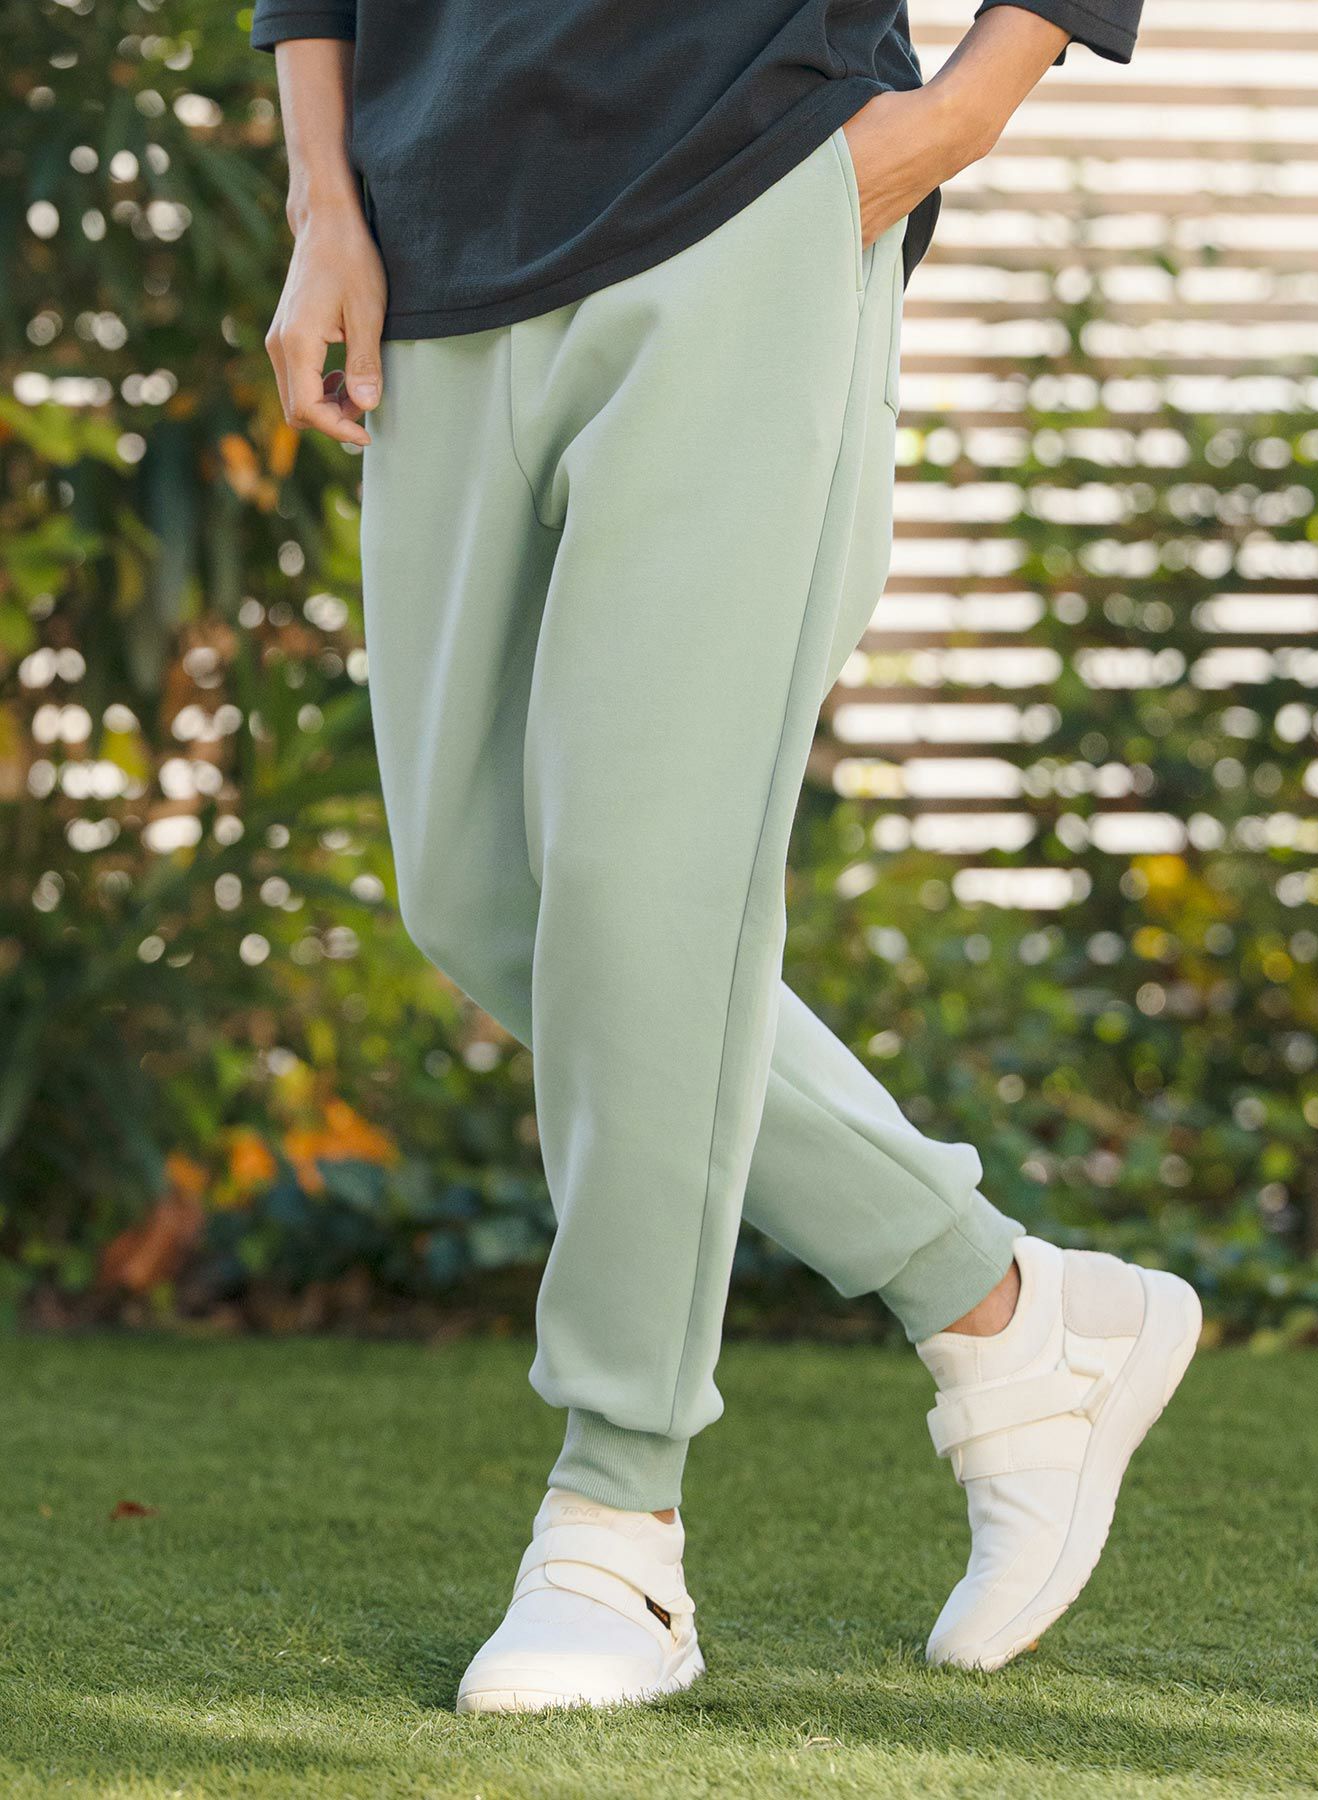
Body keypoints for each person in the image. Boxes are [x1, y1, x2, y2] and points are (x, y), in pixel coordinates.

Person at [253, 0, 1198, 1713]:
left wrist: (963, 110)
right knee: (481, 900)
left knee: (646, 893)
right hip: (425, 226)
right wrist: (322, 194)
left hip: (744, 180)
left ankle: (617, 1524)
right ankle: (1009, 1312)